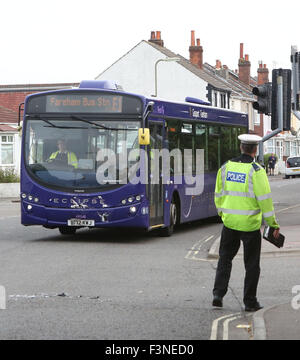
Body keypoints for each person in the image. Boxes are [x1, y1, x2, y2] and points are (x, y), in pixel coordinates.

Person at [212, 134, 280, 312]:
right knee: (251, 264)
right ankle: (250, 301)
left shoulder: (225, 167)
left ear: (241, 147)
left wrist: (223, 214)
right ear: (255, 150)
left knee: (225, 258)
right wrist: (272, 224)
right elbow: (265, 200)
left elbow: (218, 195)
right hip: (249, 225)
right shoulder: (256, 171)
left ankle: (218, 295)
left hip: (229, 223)